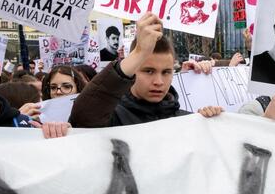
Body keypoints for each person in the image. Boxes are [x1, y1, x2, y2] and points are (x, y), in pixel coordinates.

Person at [70, 12, 221, 127]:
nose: (158, 82)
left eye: (166, 72)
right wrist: (139, 53)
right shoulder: (112, 117)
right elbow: (83, 116)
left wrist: (208, 123)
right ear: (133, 69)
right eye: (149, 71)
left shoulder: (186, 120)